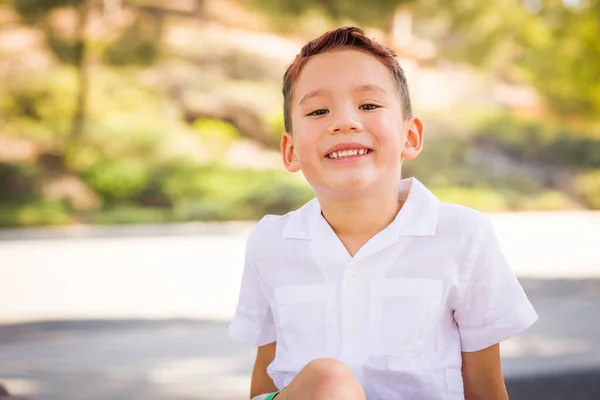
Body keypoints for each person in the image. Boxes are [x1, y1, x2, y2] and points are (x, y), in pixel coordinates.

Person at [228, 26, 538, 400]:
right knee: (327, 381)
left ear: (411, 136)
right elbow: (267, 379)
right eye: (318, 110)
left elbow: (485, 388)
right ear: (290, 150)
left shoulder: (462, 236)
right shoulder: (271, 243)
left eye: (369, 105)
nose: (344, 121)